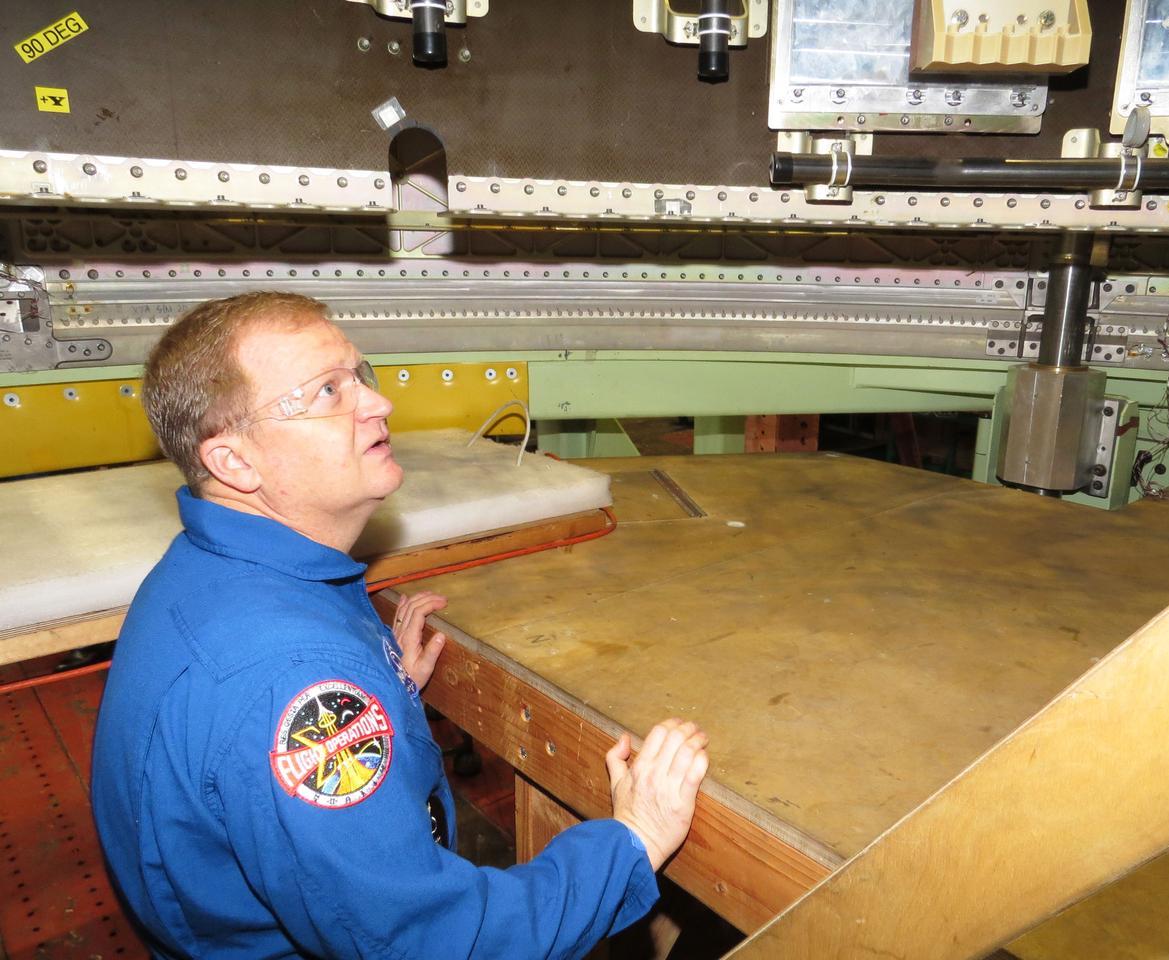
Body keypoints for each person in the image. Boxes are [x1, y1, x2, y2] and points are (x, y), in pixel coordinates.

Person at [91, 291, 710, 959]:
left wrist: (378, 694)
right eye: (327, 390)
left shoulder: (211, 574)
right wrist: (635, 840)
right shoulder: (293, 675)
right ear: (235, 462)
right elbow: (431, 943)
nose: (376, 403)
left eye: (360, 375)